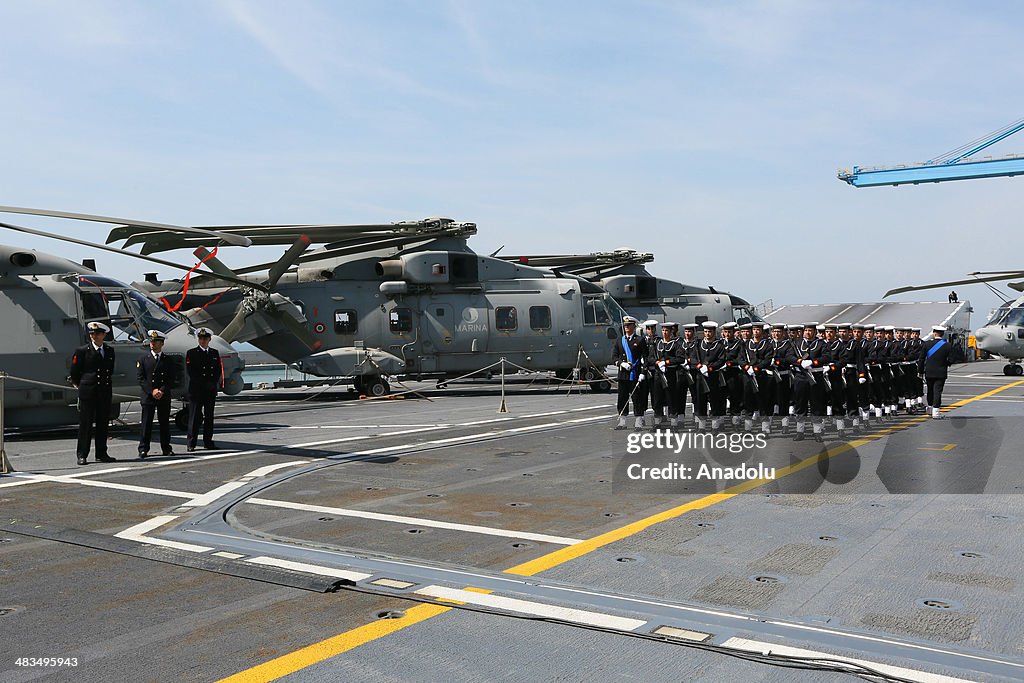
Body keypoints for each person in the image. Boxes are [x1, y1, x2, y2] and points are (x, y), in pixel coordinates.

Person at [70, 321, 117, 466]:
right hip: (88, 391)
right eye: (92, 333)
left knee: (103, 423)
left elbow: (110, 370)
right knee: (86, 424)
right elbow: (75, 372)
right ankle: (82, 454)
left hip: (104, 391)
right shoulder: (82, 351)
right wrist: (81, 385)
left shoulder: (109, 351)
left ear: (103, 335)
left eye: (96, 333)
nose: (93, 336)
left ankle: (101, 453)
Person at [137, 329, 177, 458]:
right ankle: (143, 448)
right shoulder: (143, 359)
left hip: (163, 395)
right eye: (151, 341)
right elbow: (141, 378)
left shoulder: (168, 360)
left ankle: (166, 447)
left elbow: (171, 378)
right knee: (146, 423)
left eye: (156, 342)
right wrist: (152, 390)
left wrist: (162, 390)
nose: (153, 344)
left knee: (164, 423)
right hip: (148, 396)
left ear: (162, 343)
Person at [186, 327, 222, 451]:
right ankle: (191, 443)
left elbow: (217, 370)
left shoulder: (214, 353)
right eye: (201, 338)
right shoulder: (191, 353)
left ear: (209, 339)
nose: (203, 341)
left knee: (209, 417)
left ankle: (208, 441)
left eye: (205, 339)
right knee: (194, 417)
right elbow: (191, 372)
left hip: (210, 390)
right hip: (196, 390)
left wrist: (213, 383)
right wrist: (204, 383)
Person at [612, 316, 648, 430]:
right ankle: (622, 421)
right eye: (625, 325)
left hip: (635, 373)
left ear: (633, 326)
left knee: (637, 397)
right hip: (623, 374)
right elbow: (614, 357)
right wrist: (621, 364)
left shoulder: (640, 340)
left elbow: (645, 357)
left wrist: (643, 372)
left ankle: (638, 420)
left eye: (629, 325)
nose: (626, 327)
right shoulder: (619, 340)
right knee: (622, 397)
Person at [919, 325, 953, 419]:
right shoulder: (947, 345)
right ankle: (936, 411)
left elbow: (921, 359)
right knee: (937, 391)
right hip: (941, 372)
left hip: (929, 371)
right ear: (942, 334)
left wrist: (920, 371)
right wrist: (945, 363)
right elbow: (951, 359)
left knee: (930, 390)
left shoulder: (926, 344)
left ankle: (929, 408)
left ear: (934, 333)